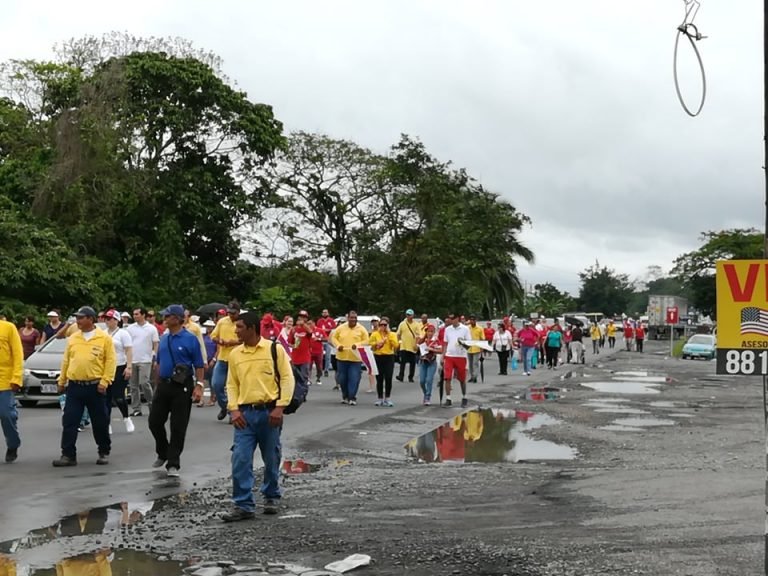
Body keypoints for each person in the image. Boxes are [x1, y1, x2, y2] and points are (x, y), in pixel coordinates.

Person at [222, 311, 295, 521]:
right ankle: (243, 504)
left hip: (269, 413)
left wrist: (280, 407)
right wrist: (233, 409)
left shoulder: (274, 349)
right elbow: (231, 384)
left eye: (240, 327)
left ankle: (271, 495)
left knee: (271, 457)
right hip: (245, 415)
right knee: (240, 458)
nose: (236, 331)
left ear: (252, 329)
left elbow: (287, 379)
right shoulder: (235, 354)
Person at [54, 306, 116, 467]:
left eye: (81, 318)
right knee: (70, 420)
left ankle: (103, 451)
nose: (78, 321)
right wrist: (62, 381)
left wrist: (105, 381)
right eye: (77, 318)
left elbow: (110, 362)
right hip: (75, 386)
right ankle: (68, 454)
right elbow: (66, 361)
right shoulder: (73, 338)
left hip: (95, 386)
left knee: (99, 421)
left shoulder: (104, 338)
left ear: (90, 319)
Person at [148, 305, 205, 478]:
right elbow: (158, 362)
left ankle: (173, 462)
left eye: (167, 316)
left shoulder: (190, 339)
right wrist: (157, 381)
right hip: (164, 384)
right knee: (154, 421)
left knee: (178, 425)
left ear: (177, 318)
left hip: (182, 385)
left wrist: (199, 385)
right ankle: (163, 451)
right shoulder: (164, 338)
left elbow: (199, 364)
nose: (164, 319)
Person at [104, 310, 134, 434]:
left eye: (110, 319)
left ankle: (126, 418)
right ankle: (107, 423)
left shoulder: (123, 333)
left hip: (119, 366)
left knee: (118, 396)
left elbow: (128, 350)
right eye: (106, 319)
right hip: (106, 368)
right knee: (106, 397)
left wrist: (129, 366)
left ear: (116, 320)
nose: (107, 321)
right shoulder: (103, 333)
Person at [210, 302, 240, 422]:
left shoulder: (242, 322)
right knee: (216, 384)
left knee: (235, 387)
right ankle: (226, 407)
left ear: (238, 312)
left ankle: (234, 411)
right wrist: (219, 340)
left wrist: (234, 342)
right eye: (229, 313)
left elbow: (247, 339)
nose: (231, 315)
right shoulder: (222, 322)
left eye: (233, 313)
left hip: (237, 359)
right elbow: (213, 335)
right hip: (223, 358)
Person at [331, 311, 369, 406]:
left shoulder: (361, 329)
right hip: (342, 358)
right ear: (348, 318)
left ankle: (352, 397)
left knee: (354, 378)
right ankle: (345, 396)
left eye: (355, 318)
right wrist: (338, 345)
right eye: (351, 317)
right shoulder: (341, 328)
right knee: (342, 379)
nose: (353, 319)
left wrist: (357, 345)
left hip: (355, 359)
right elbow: (333, 338)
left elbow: (366, 340)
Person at [127, 308, 160, 418]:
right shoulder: (130, 328)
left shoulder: (151, 328)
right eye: (134, 314)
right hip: (132, 359)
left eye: (137, 314)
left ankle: (152, 404)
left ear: (143, 315)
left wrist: (156, 357)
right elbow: (127, 344)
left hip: (145, 359)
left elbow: (156, 344)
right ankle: (136, 408)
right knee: (133, 385)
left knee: (144, 383)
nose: (135, 316)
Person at [0, 316, 23, 462]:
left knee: (6, 414)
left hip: (5, 380)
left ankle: (13, 444)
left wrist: (17, 377)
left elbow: (17, 354)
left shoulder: (8, 327)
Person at [442, 313, 471, 408]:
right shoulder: (447, 329)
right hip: (449, 355)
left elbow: (469, 344)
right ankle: (448, 398)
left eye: (453, 318)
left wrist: (462, 343)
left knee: (462, 379)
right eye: (450, 318)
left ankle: (464, 396)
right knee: (447, 377)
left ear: (457, 319)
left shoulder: (465, 329)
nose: (451, 320)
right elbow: (445, 343)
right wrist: (443, 356)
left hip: (460, 356)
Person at [370, 317, 399, 407]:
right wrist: (377, 344)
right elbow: (370, 345)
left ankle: (387, 398)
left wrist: (389, 335)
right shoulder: (375, 334)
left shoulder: (392, 334)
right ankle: (380, 398)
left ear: (388, 325)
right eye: (381, 325)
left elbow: (396, 345)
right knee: (379, 378)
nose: (383, 326)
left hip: (389, 357)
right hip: (378, 356)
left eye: (385, 325)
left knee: (388, 378)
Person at [417, 324, 441, 405]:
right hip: (423, 362)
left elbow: (441, 350)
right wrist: (423, 338)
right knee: (422, 381)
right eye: (428, 331)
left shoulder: (436, 340)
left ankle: (428, 397)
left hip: (432, 362)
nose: (430, 333)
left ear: (434, 332)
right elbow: (416, 346)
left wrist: (432, 349)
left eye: (431, 331)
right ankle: (425, 393)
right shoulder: (423, 340)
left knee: (429, 380)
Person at [396, 309, 420, 383]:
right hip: (404, 346)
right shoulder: (402, 324)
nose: (408, 316)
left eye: (410, 315)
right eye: (407, 315)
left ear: (413, 315)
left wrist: (417, 344)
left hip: (412, 346)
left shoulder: (416, 324)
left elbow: (418, 335)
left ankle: (411, 377)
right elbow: (398, 334)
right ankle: (401, 376)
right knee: (402, 362)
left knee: (412, 363)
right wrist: (399, 342)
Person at [290, 311, 312, 384]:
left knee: (304, 378)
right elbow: (289, 342)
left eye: (303, 317)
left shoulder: (307, 328)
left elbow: (310, 332)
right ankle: (296, 394)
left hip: (305, 358)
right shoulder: (293, 329)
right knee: (295, 378)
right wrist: (293, 345)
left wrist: (303, 325)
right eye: (300, 316)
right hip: (295, 357)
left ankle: (302, 394)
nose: (301, 318)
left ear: (306, 319)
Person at [316, 309, 336, 377]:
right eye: (323, 312)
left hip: (328, 340)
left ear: (328, 313)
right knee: (320, 356)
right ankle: (320, 369)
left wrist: (327, 330)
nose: (324, 313)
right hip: (321, 340)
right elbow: (317, 329)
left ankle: (326, 370)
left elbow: (334, 329)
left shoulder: (331, 321)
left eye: (326, 312)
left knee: (328, 356)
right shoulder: (319, 321)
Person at [201, 320, 217, 406]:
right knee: (202, 379)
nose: (208, 328)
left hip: (212, 359)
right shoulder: (204, 336)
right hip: (204, 359)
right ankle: (201, 399)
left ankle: (212, 398)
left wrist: (214, 359)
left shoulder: (215, 337)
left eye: (210, 327)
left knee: (212, 380)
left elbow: (218, 349)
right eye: (207, 326)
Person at [466, 315, 485, 383]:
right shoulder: (467, 328)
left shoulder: (479, 328)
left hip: (476, 348)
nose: (472, 321)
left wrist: (482, 347)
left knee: (475, 363)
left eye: (473, 320)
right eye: (471, 320)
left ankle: (475, 376)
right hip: (469, 348)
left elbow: (482, 338)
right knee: (470, 364)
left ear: (475, 320)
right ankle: (472, 376)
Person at [307, 319, 325, 386]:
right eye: (308, 324)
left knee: (319, 367)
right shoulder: (307, 331)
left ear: (314, 323)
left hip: (318, 352)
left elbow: (326, 338)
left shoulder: (320, 330)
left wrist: (319, 339)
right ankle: (308, 379)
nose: (309, 325)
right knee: (309, 366)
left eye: (310, 323)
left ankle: (318, 378)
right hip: (309, 352)